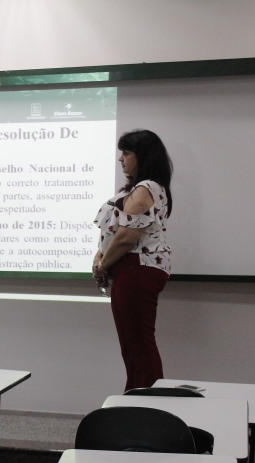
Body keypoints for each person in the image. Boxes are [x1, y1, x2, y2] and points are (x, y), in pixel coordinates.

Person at [92, 130, 173, 391]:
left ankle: (148, 402)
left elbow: (127, 237)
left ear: (143, 156)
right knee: (132, 345)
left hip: (137, 269)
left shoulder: (145, 189)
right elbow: (116, 233)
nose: (121, 158)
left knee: (138, 344)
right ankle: (136, 397)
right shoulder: (140, 189)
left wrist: (102, 265)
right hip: (131, 269)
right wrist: (100, 254)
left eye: (127, 153)